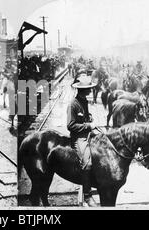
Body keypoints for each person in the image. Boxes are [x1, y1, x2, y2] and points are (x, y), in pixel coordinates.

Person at [67, 71, 96, 207]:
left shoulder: (84, 101)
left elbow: (83, 117)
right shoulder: (73, 104)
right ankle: (87, 196)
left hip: (87, 133)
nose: (91, 90)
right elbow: (70, 125)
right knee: (87, 164)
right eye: (89, 88)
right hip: (78, 137)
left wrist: (88, 118)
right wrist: (88, 125)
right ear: (83, 90)